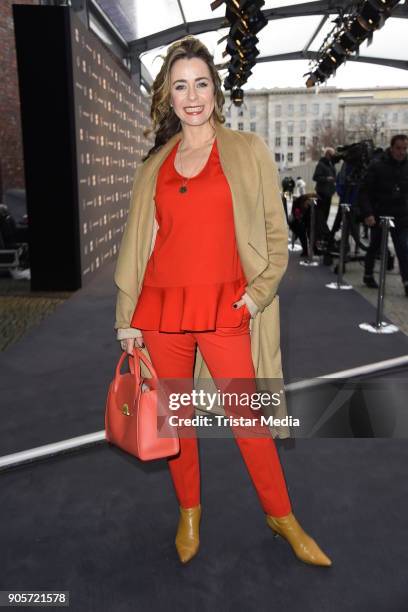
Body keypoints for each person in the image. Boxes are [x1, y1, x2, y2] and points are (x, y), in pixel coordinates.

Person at [113, 36, 332, 567]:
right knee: (176, 423)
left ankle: (282, 516)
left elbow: (276, 238)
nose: (192, 96)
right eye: (181, 86)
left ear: (216, 90)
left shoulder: (247, 150)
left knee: (249, 421)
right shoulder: (154, 166)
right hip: (160, 314)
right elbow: (138, 245)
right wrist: (128, 320)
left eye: (202, 84)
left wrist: (255, 299)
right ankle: (189, 512)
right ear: (168, 95)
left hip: (225, 310)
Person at [359, 134, 408, 296]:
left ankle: (407, 282)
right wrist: (368, 213)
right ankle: (368, 274)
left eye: (405, 149)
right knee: (375, 246)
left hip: (401, 216)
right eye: (399, 148)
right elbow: (364, 191)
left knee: (403, 249)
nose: (402, 152)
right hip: (380, 215)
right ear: (391, 148)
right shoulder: (377, 165)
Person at [312, 147, 337, 224]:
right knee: (321, 213)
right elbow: (315, 177)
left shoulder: (331, 165)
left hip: (329, 192)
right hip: (322, 192)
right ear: (327, 155)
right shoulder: (321, 164)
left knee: (326, 213)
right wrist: (326, 178)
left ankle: (323, 229)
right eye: (332, 155)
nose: (333, 157)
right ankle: (319, 229)